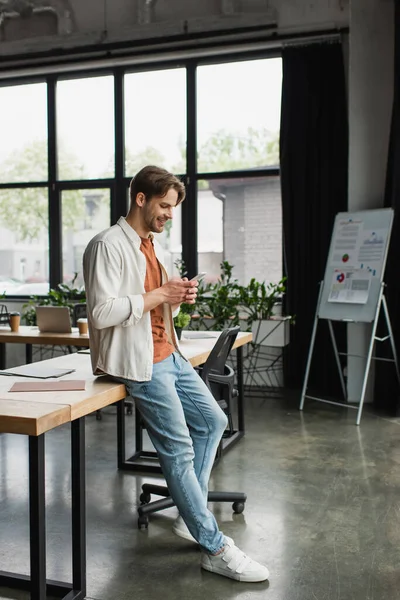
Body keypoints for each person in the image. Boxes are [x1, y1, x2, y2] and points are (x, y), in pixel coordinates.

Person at [83, 165, 269, 582]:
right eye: (165, 206)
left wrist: (178, 297)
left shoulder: (156, 249)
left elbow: (160, 307)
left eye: (174, 208)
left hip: (171, 355)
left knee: (213, 421)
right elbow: (100, 312)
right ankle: (214, 546)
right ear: (141, 199)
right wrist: (159, 294)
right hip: (139, 363)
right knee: (180, 450)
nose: (169, 214)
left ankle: (190, 512)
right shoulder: (106, 245)